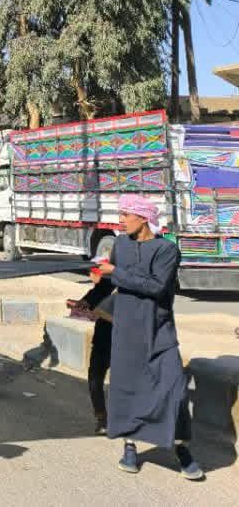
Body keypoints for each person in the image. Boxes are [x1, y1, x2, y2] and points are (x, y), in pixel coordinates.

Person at [92, 193, 203, 480]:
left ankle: (181, 449)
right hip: (126, 331)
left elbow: (155, 286)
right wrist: (92, 292)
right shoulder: (120, 245)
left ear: (142, 218)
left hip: (159, 331)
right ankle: (130, 446)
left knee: (175, 389)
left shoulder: (166, 250)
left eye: (125, 215)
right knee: (127, 389)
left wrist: (115, 272)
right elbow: (111, 282)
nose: (121, 220)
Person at [71, 276, 115, 435]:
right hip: (103, 336)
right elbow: (99, 290)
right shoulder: (112, 273)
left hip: (126, 338)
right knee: (94, 378)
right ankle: (102, 418)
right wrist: (85, 302)